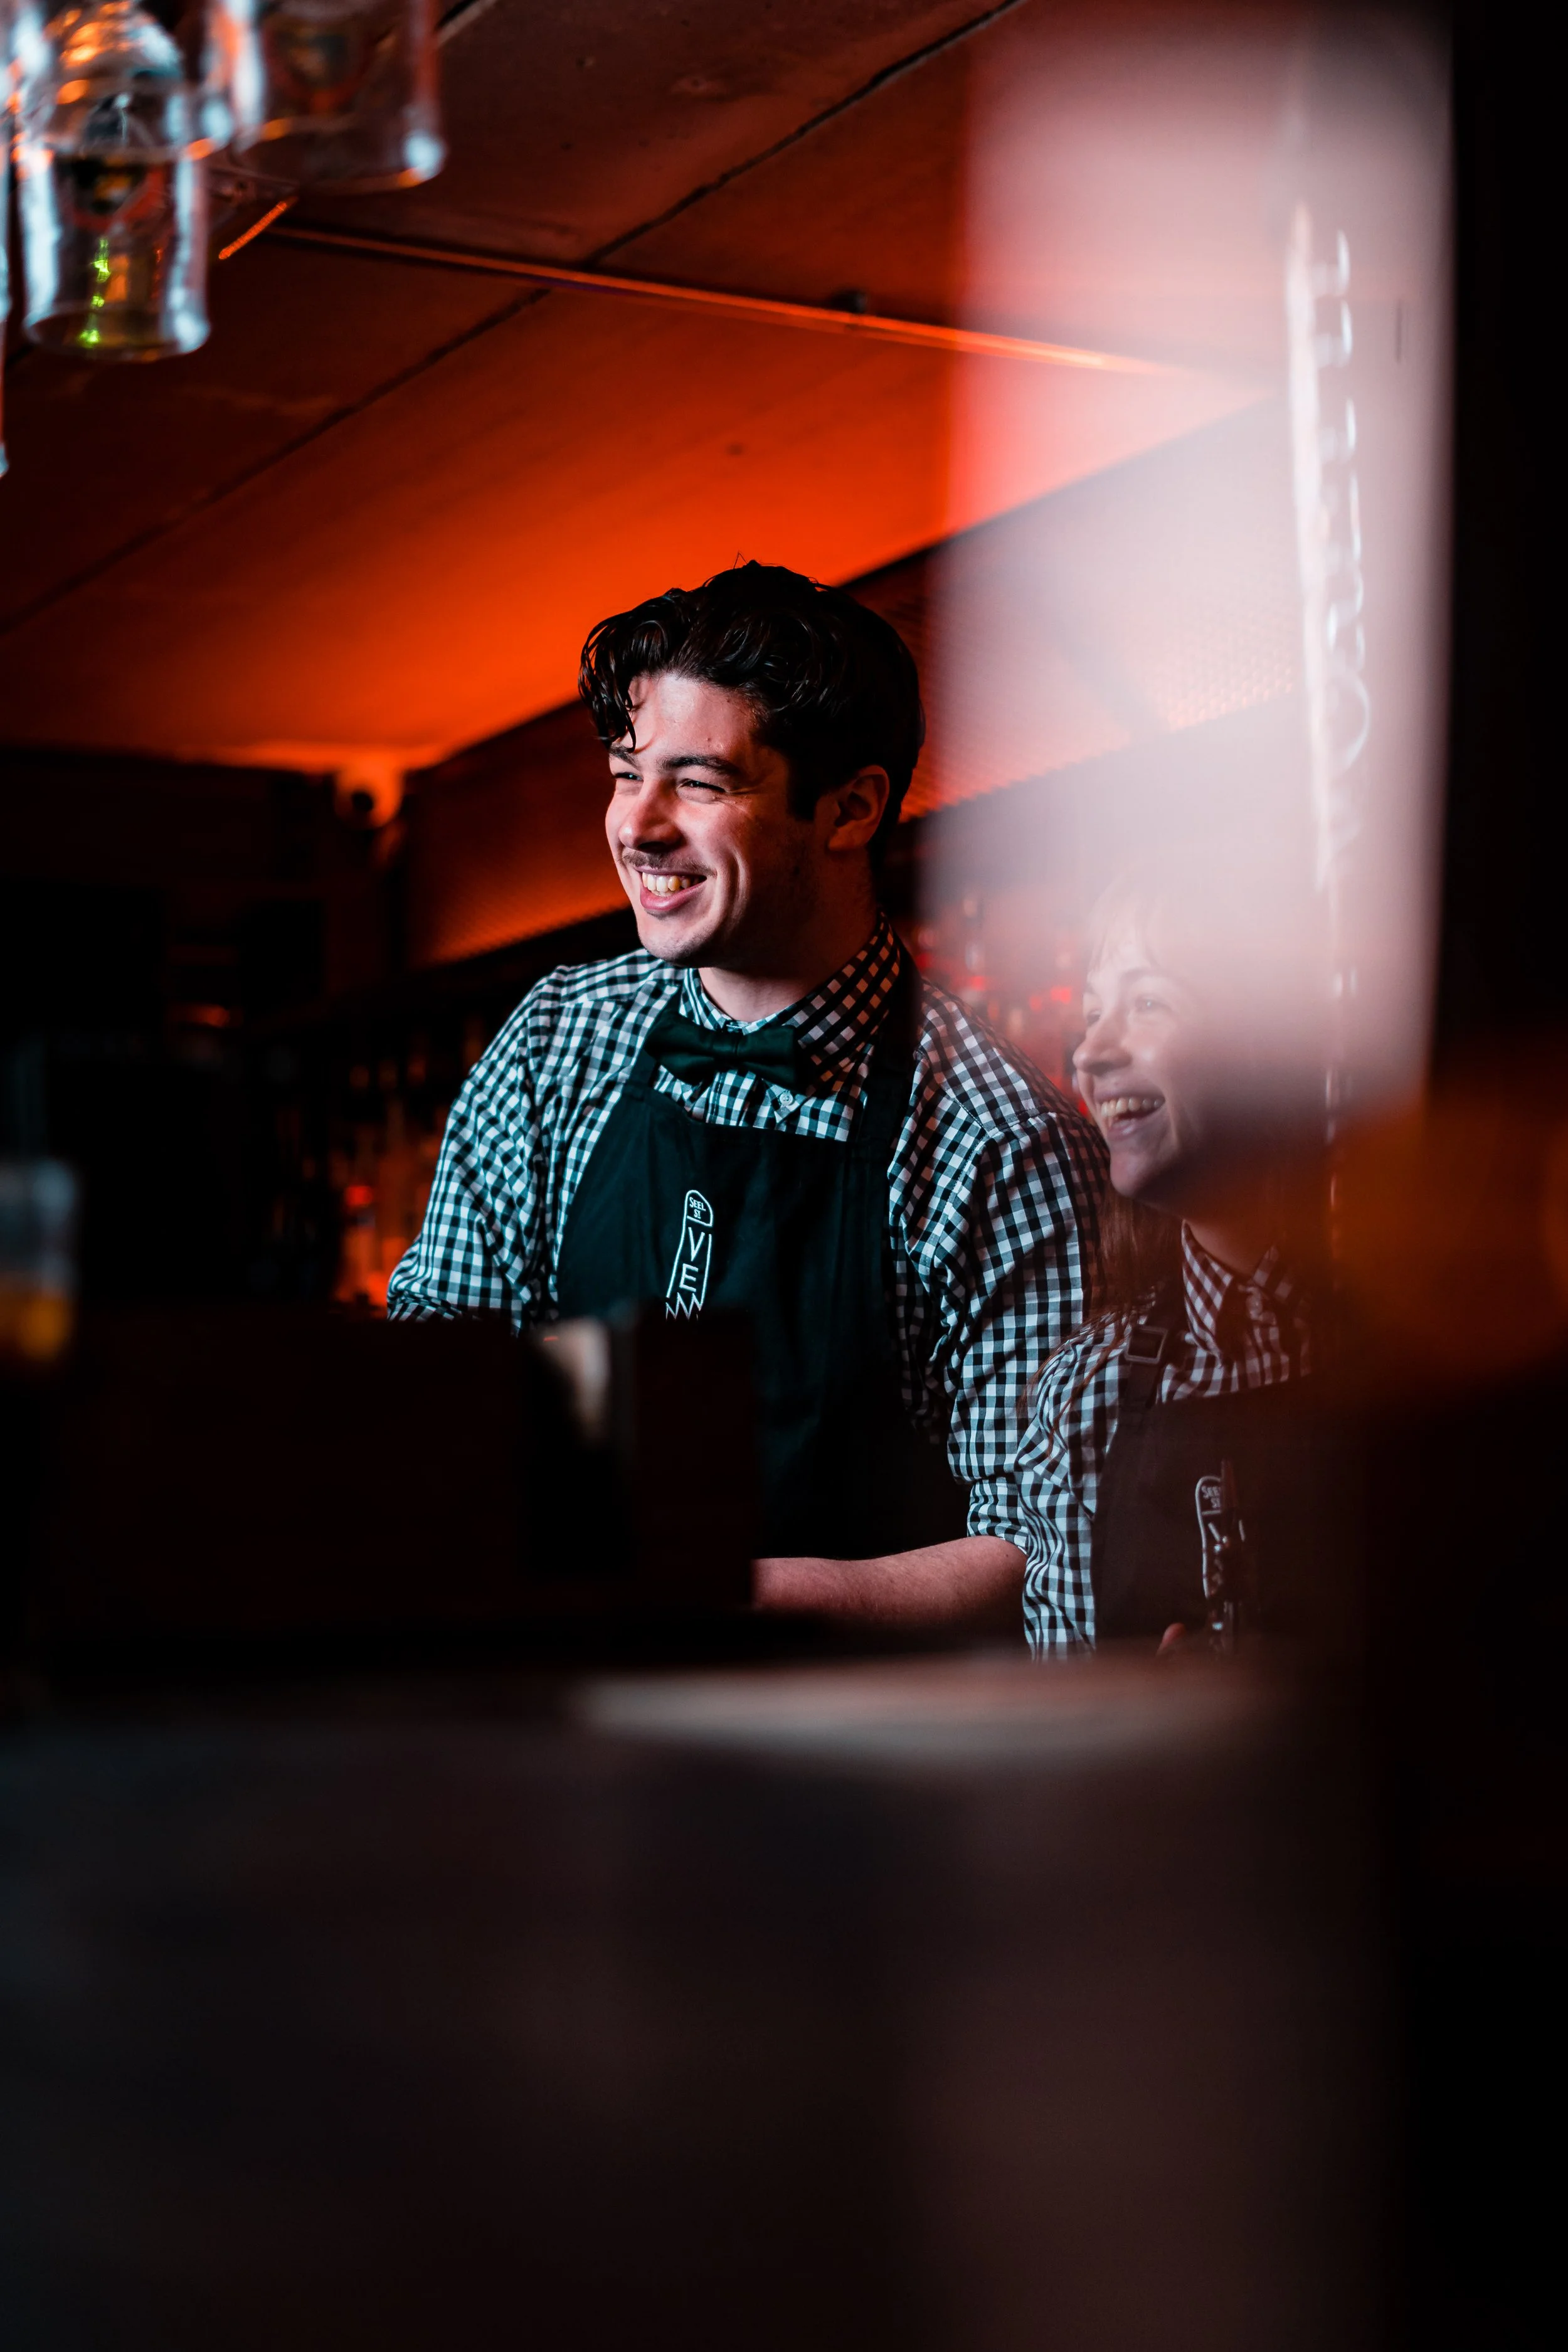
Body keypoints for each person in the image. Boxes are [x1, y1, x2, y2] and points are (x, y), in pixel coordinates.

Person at [388, 562, 1103, 1629]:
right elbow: (445, 1368)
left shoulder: (999, 1142)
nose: (638, 824)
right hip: (563, 1705)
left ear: (850, 809)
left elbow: (1044, 1549)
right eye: (628, 773)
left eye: (701, 783)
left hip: (855, 1756)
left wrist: (742, 1596)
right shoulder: (557, 1039)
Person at [1015, 857, 1335, 1656]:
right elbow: (1069, 1721)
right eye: (1092, 1014)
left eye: (1148, 1001)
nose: (1089, 1053)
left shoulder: (1424, 1343)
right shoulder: (1083, 1395)